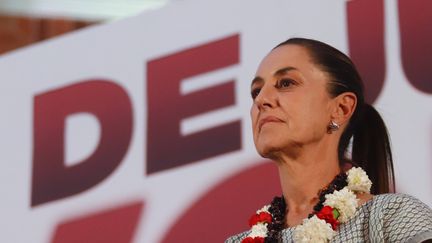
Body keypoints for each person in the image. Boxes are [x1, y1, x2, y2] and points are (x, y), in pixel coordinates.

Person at [225, 38, 432, 243]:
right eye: (256, 91)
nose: (261, 99)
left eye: (286, 83)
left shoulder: (391, 217)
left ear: (340, 109)